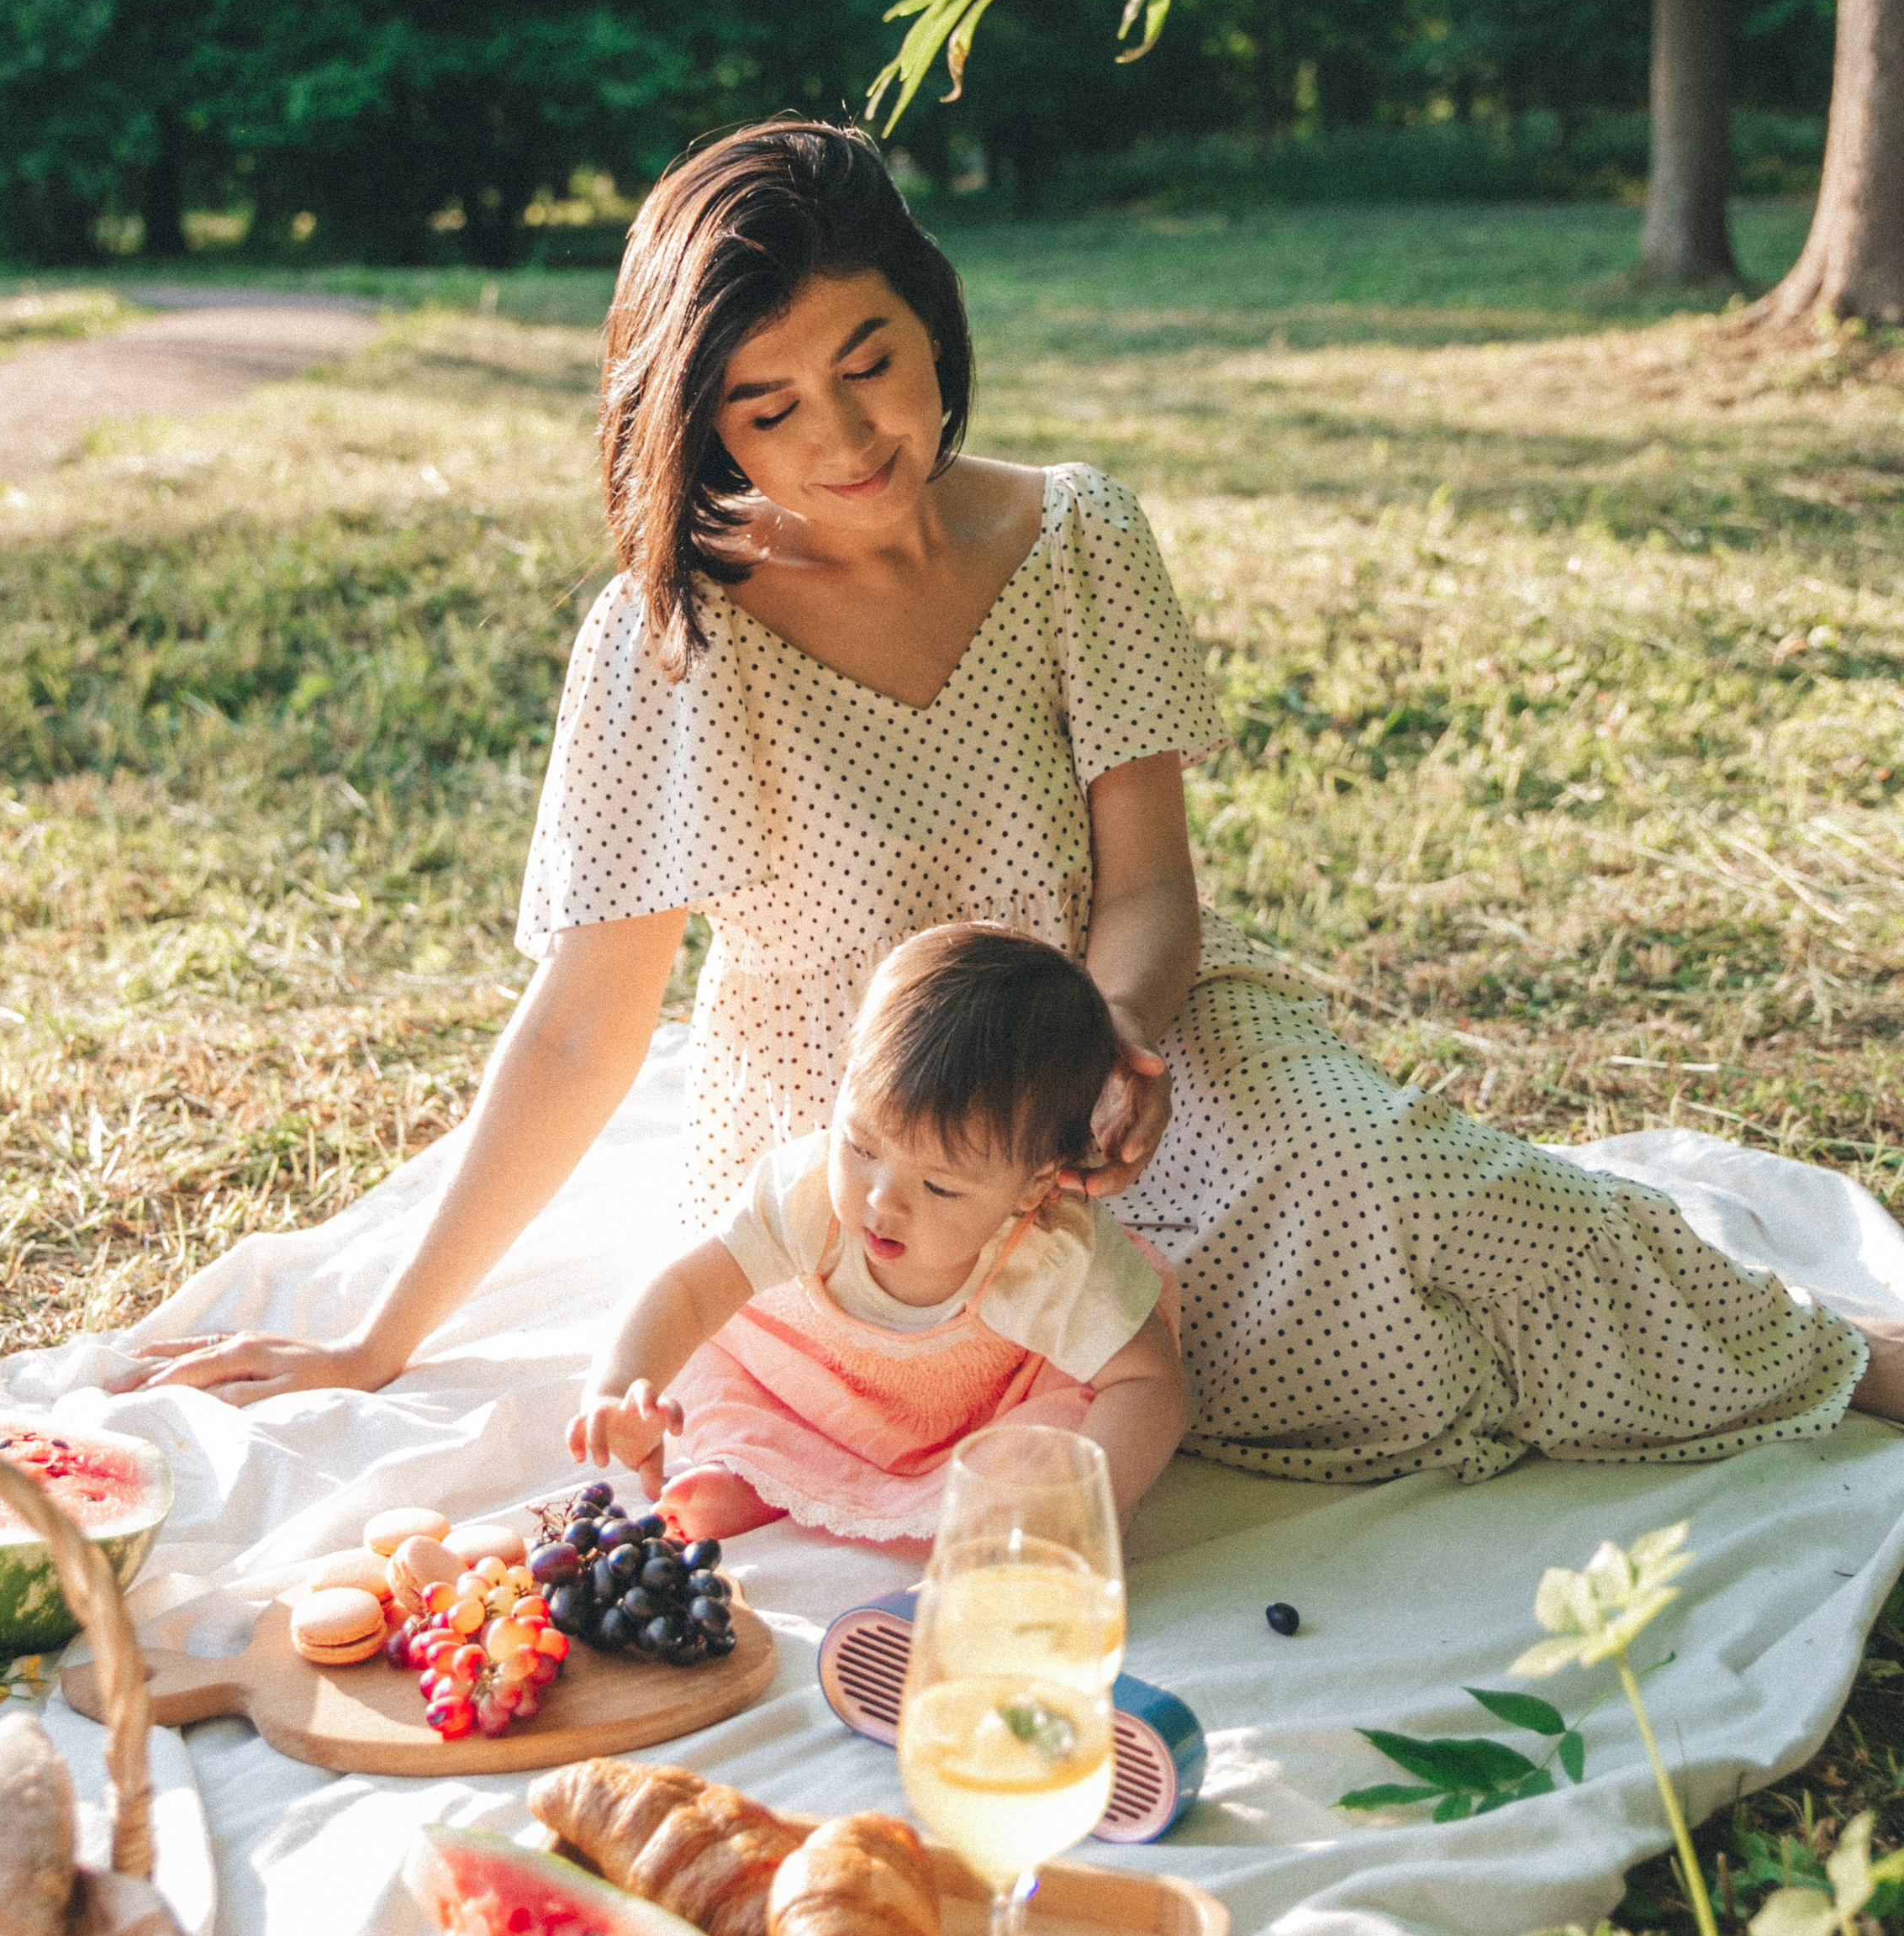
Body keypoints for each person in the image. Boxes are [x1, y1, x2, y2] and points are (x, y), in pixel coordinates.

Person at [124, 121, 1898, 1477]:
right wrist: (373, 1343)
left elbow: (1146, 886)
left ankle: (1821, 1359)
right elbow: (589, 1027)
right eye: (763, 407)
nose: (839, 435)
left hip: (1104, 1036)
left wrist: (1113, 1055)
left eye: (868, 358)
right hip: (860, 1139)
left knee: (1399, 1185)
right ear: (699, 426)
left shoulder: (1072, 533)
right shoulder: (673, 635)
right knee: (961, 1351)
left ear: (931, 313)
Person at [570, 923, 1191, 1545]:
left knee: (1049, 1446)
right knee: (733, 1382)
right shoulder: (806, 1193)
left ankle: (984, 1513)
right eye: (861, 1145)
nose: (880, 1200)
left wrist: (1081, 1507)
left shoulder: (1051, 1253)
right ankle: (756, 1473)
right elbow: (687, 1289)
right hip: (815, 1386)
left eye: (940, 1188)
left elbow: (1150, 1387)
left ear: (1033, 1187)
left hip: (976, 1417)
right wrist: (616, 1391)